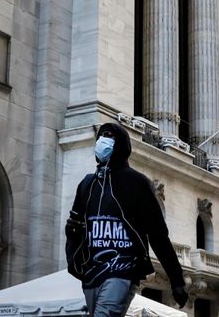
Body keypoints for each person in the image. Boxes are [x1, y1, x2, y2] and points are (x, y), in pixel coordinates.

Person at [66, 122, 188, 316]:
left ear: (121, 143)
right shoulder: (87, 184)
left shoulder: (137, 182)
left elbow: (158, 235)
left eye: (110, 136)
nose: (103, 140)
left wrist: (176, 280)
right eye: (101, 136)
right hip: (91, 272)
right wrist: (74, 262)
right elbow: (73, 228)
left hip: (123, 268)